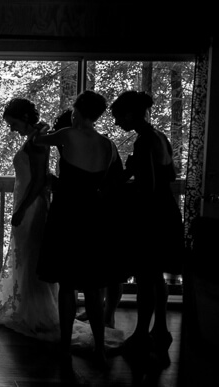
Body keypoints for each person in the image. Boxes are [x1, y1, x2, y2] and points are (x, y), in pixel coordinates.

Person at [33, 90, 124, 369]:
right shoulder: (109, 145)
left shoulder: (68, 134)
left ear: (77, 111)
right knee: (94, 287)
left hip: (68, 214)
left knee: (67, 285)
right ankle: (100, 348)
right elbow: (111, 182)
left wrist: (40, 128)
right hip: (94, 217)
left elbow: (38, 141)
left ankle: (64, 347)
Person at [111, 90, 183, 369]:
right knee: (156, 275)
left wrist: (125, 179)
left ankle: (142, 333)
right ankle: (161, 330)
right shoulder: (160, 138)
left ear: (130, 114)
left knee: (145, 275)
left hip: (150, 216)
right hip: (167, 211)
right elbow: (170, 175)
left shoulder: (144, 142)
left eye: (119, 117)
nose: (117, 123)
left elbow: (147, 188)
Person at [0, 98, 59, 341]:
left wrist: (21, 210)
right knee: (26, 257)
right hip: (27, 203)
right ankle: (28, 311)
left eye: (13, 123)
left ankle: (38, 316)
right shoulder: (35, 138)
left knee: (31, 257)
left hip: (32, 206)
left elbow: (38, 181)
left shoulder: (38, 141)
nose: (11, 128)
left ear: (25, 118)